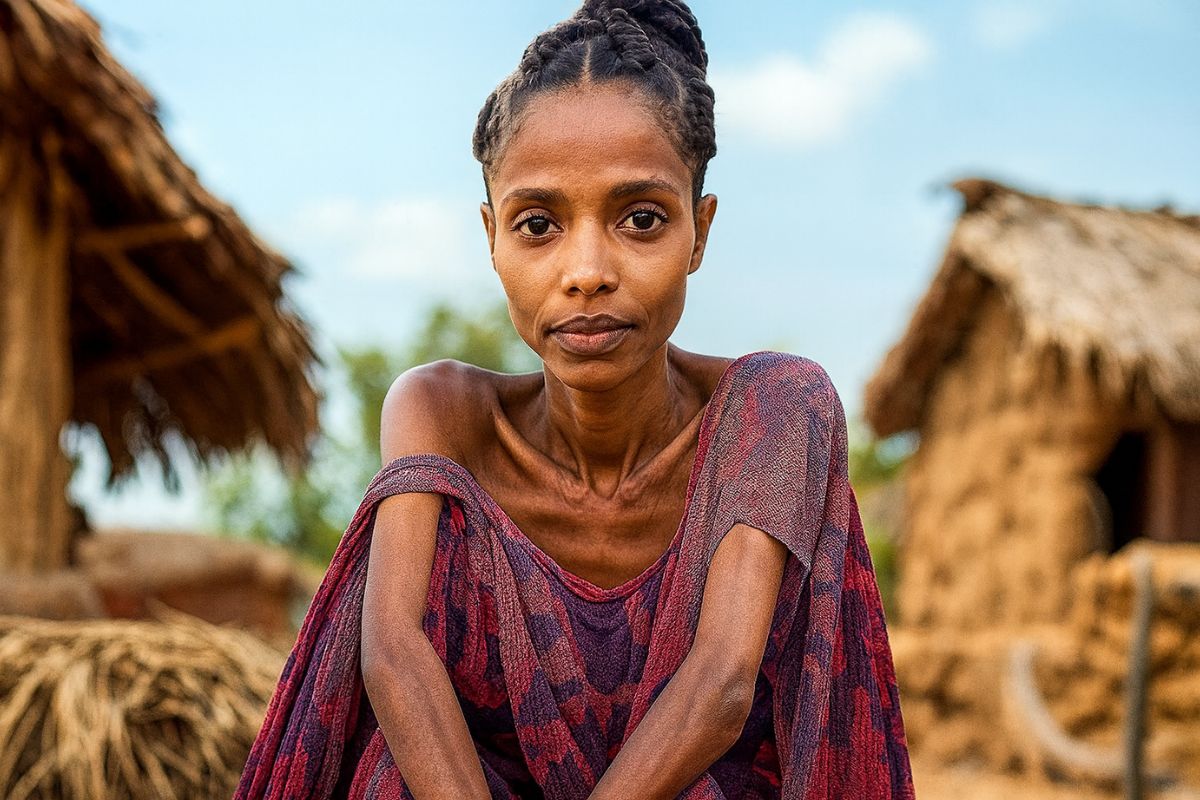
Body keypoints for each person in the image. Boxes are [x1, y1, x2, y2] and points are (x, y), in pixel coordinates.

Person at [235, 1, 914, 798]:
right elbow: (393, 653)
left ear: (700, 232)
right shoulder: (442, 414)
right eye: (537, 224)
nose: (587, 268)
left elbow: (722, 685)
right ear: (490, 236)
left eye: (640, 218)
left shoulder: (771, 408)